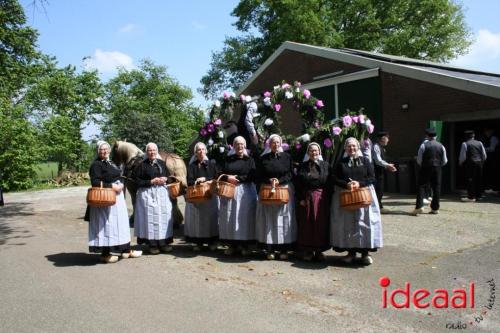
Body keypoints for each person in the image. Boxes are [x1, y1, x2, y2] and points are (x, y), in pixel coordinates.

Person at [330, 137, 382, 265]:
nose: (351, 148)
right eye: (349, 146)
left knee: (364, 224)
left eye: (354, 146)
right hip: (347, 197)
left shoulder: (365, 161)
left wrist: (360, 183)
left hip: (363, 196)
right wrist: (346, 184)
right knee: (349, 225)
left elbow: (372, 178)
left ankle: (365, 253)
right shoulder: (341, 162)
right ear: (345, 148)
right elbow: (334, 177)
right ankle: (351, 253)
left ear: (358, 147)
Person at [88, 141, 142, 263]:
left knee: (120, 224)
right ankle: (105, 254)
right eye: (101, 150)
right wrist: (112, 186)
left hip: (117, 199)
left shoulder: (111, 163)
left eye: (106, 149)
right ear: (98, 151)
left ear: (110, 150)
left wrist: (120, 184)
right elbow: (95, 182)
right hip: (105, 200)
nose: (104, 151)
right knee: (106, 226)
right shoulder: (96, 165)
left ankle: (126, 251)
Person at [255, 134, 296, 260]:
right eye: (273, 142)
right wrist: (270, 180)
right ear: (269, 144)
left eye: (278, 142)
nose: (275, 145)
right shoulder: (264, 159)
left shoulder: (287, 157)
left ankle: (284, 249)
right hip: (268, 191)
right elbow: (259, 175)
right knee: (269, 220)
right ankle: (270, 249)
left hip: (284, 190)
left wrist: (280, 181)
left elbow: (290, 174)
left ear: (281, 144)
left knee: (284, 219)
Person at [218, 136, 257, 255]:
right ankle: (232, 245)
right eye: (237, 144)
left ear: (245, 146)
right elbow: (220, 173)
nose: (239, 146)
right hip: (229, 190)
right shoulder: (228, 159)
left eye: (242, 144)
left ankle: (245, 245)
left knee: (244, 217)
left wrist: (239, 178)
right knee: (230, 217)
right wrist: (227, 177)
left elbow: (253, 175)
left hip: (246, 191)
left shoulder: (250, 160)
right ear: (233, 146)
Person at [133, 142, 174, 254]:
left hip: (161, 194)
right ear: (146, 152)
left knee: (163, 219)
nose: (152, 152)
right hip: (147, 195)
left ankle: (163, 243)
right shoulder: (142, 165)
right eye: (150, 150)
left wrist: (165, 179)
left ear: (157, 151)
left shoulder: (161, 163)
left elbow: (169, 177)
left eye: (154, 150)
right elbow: (137, 181)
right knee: (150, 219)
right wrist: (151, 181)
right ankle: (152, 245)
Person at [295, 142, 330, 261]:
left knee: (320, 224)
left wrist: (328, 199)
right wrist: (300, 199)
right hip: (307, 198)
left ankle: (319, 251)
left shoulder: (325, 165)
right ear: (308, 153)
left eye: (316, 151)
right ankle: (308, 251)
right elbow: (298, 184)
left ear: (319, 152)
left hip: (321, 199)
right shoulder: (302, 166)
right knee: (307, 223)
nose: (313, 153)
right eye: (311, 151)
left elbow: (329, 183)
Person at [184, 142, 219, 252]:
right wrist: (196, 181)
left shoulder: (212, 164)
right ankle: (198, 242)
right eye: (199, 150)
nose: (201, 151)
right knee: (198, 220)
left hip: (210, 196)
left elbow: (216, 177)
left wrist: (205, 179)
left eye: (203, 149)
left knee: (210, 219)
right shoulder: (192, 166)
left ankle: (211, 241)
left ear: (206, 151)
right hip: (197, 197)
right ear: (195, 152)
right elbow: (189, 180)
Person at [411, 128, 448, 215]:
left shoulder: (423, 145)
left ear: (427, 136)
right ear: (436, 136)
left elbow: (419, 160)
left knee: (421, 186)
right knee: (436, 188)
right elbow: (445, 160)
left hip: (425, 167)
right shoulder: (441, 146)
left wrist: (423, 165)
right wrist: (438, 165)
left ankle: (419, 207)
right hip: (438, 168)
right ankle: (435, 209)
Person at [372, 132, 397, 214]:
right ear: (382, 139)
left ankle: (379, 206)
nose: (388, 140)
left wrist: (387, 166)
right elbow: (378, 160)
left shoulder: (382, 147)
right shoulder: (376, 146)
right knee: (378, 190)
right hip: (376, 172)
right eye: (387, 138)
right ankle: (378, 207)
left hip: (380, 172)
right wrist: (388, 165)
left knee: (380, 190)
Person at [459, 130, 487, 202]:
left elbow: (463, 156)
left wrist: (460, 162)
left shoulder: (465, 144)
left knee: (470, 180)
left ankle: (471, 197)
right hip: (479, 163)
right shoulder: (480, 143)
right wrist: (482, 161)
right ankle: (479, 196)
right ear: (473, 136)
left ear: (466, 136)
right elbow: (484, 155)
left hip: (470, 164)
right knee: (479, 179)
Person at [482, 128, 499, 192]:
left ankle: (495, 188)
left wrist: (482, 149)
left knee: (493, 173)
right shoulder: (491, 138)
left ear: (490, 131)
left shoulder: (493, 138)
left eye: (487, 132)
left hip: (494, 159)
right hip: (492, 159)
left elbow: (492, 149)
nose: (486, 134)